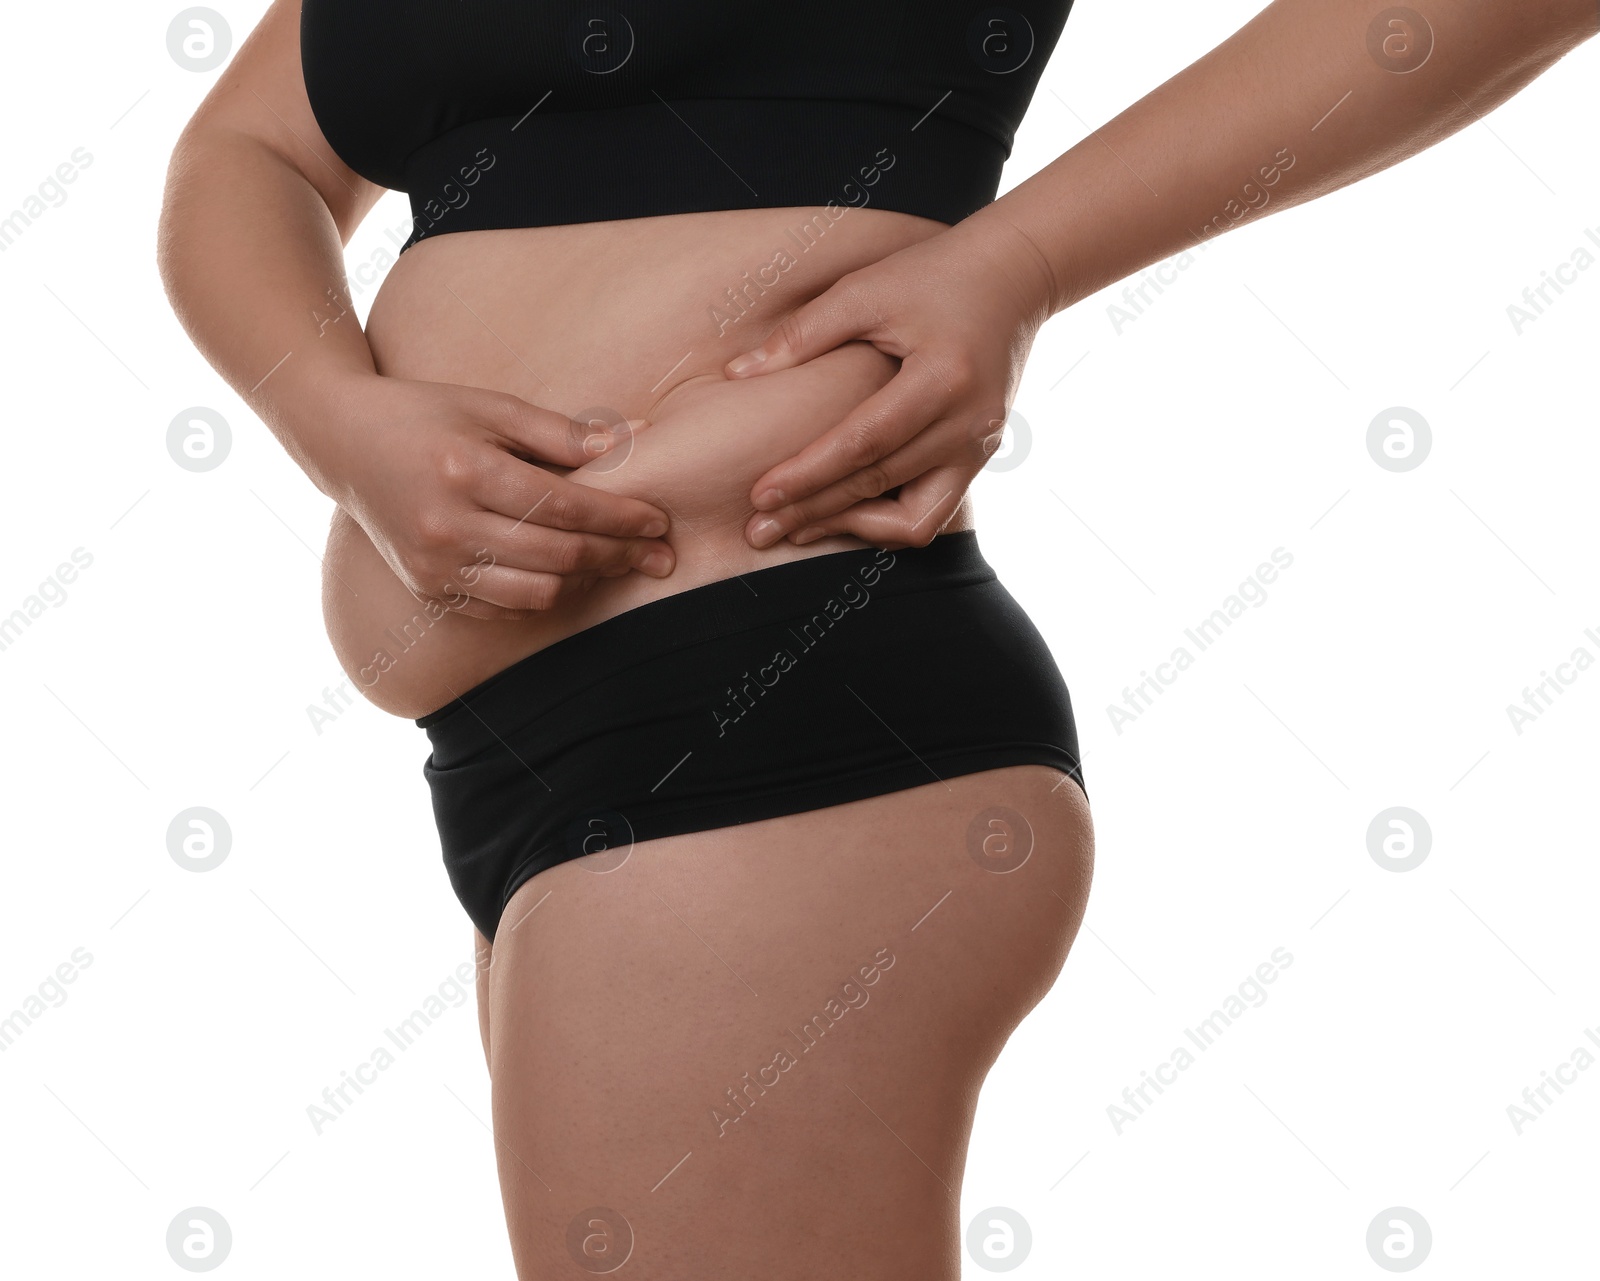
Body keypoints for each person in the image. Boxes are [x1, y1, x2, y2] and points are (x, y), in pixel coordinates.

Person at [156, 1, 1596, 1275]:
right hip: (541, 758)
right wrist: (334, 414)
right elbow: (249, 154)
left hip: (772, 697)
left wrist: (1019, 261)